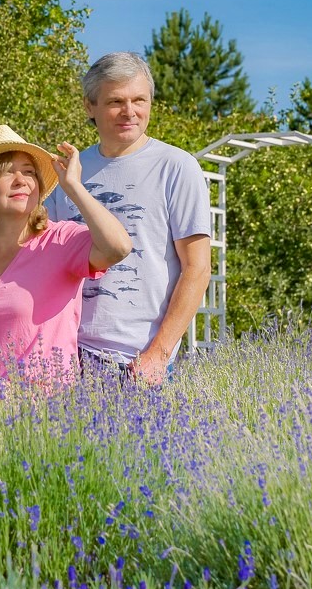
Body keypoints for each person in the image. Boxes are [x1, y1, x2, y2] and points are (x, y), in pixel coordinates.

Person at [0, 125, 132, 392]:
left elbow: (118, 248)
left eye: (29, 172)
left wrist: (73, 187)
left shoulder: (61, 240)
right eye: (8, 171)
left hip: (46, 407)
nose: (21, 180)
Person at [44, 52, 212, 384]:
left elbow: (198, 268)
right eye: (115, 101)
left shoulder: (176, 167)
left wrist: (159, 355)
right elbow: (44, 259)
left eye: (139, 100)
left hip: (137, 360)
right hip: (65, 354)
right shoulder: (67, 172)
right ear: (89, 107)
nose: (129, 112)